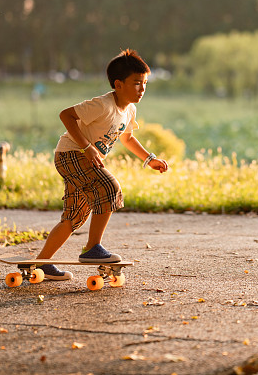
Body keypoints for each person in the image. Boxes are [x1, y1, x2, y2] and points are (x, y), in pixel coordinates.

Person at [36, 49, 169, 280]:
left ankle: (42, 263)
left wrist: (149, 159)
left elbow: (128, 138)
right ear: (118, 85)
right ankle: (92, 248)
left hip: (82, 159)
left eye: (145, 83)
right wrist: (87, 146)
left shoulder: (129, 110)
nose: (142, 89)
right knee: (109, 188)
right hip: (71, 154)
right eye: (136, 83)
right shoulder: (102, 105)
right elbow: (66, 115)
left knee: (74, 217)